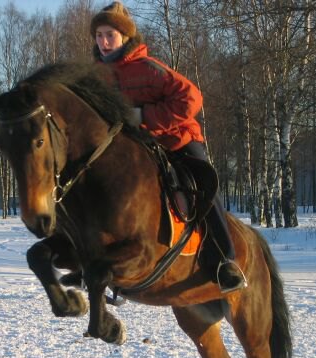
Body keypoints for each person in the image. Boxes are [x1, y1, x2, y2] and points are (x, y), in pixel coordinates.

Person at [90, 1, 247, 293]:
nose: (103, 42)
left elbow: (192, 99)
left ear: (125, 37)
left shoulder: (149, 69)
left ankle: (227, 262)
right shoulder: (95, 77)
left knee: (202, 186)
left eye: (109, 34)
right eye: (98, 35)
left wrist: (144, 117)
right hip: (134, 151)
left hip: (177, 141)